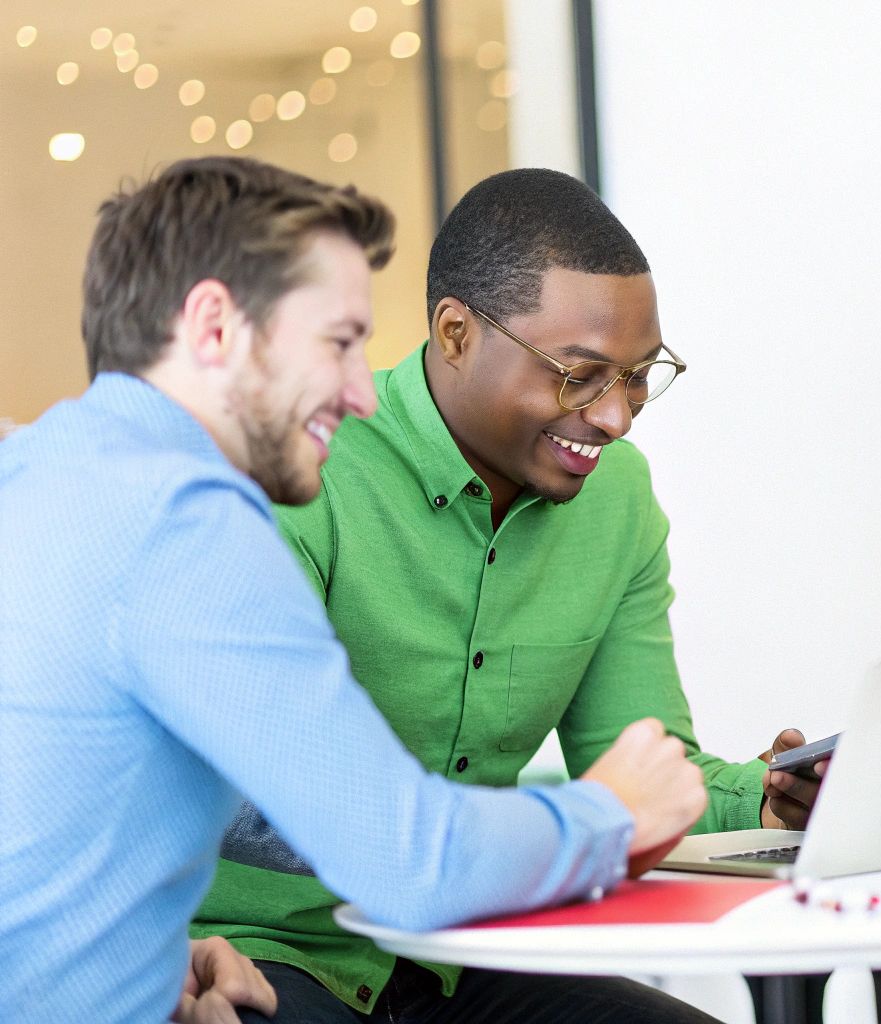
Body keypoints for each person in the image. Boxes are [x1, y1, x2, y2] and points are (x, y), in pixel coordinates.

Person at [0, 157, 709, 1024]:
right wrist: (607, 819)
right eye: (336, 345)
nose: (361, 391)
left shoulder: (38, 470)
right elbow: (405, 858)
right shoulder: (188, 524)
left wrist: (145, 958)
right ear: (215, 327)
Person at [189, 167, 813, 1021]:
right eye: (580, 374)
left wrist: (771, 799)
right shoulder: (307, 465)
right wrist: (551, 829)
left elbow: (638, 764)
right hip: (263, 952)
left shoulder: (618, 498)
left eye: (638, 375)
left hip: (465, 950)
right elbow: (237, 783)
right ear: (454, 333)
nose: (616, 416)